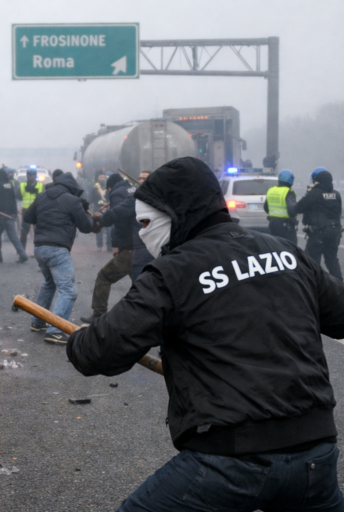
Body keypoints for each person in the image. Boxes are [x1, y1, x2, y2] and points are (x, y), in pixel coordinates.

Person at [67, 156, 344, 512]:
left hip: (229, 461)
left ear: (176, 214)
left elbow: (100, 352)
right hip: (315, 454)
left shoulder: (171, 272)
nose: (142, 232)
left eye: (147, 222)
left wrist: (77, 342)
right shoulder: (287, 252)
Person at [25, 172, 93, 344]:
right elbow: (86, 226)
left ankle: (38, 322)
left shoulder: (42, 196)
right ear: (72, 188)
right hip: (57, 249)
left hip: (40, 248)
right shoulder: (72, 200)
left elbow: (28, 217)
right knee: (68, 290)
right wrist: (86, 214)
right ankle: (55, 330)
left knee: (49, 284)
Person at [81, 173, 137, 324]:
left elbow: (119, 219)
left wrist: (101, 219)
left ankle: (98, 314)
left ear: (110, 187)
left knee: (104, 277)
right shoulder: (131, 189)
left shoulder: (116, 193)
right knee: (141, 285)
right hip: (138, 245)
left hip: (129, 247)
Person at [295, 169, 342, 279]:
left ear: (318, 181)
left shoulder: (315, 193)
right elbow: (338, 212)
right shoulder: (336, 194)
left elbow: (299, 207)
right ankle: (339, 285)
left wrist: (309, 192)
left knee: (312, 260)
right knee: (331, 259)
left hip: (319, 232)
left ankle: (316, 285)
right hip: (335, 231)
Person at [263, 168, 298, 244]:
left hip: (273, 224)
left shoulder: (271, 190)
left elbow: (266, 208)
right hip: (286, 226)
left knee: (276, 246)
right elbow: (291, 211)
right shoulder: (289, 192)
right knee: (291, 248)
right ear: (290, 180)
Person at [18, 167, 44, 252]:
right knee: (24, 232)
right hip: (26, 211)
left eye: (33, 175)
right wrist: (18, 209)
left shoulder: (41, 186)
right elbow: (18, 198)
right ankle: (22, 253)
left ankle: (38, 251)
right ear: (27, 175)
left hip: (37, 211)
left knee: (38, 233)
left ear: (35, 175)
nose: (31, 177)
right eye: (29, 175)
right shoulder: (22, 186)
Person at [89, 171, 109, 251]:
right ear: (97, 179)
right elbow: (90, 199)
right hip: (98, 210)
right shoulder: (94, 188)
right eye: (100, 178)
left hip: (108, 210)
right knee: (99, 228)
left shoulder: (109, 188)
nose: (102, 179)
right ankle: (99, 245)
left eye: (103, 177)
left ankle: (109, 246)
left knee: (109, 229)